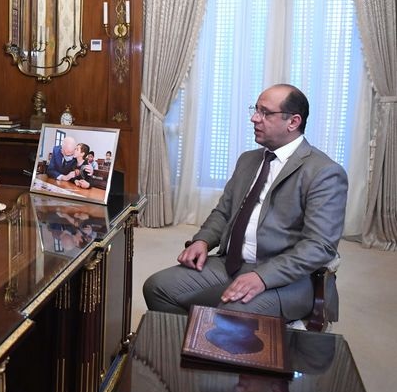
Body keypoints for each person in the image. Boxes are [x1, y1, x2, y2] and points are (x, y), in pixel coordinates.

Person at [144, 84, 347, 322]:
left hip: (285, 279)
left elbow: (319, 246)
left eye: (265, 113)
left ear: (293, 122)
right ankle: (191, 342)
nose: (254, 118)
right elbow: (224, 211)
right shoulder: (249, 160)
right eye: (256, 109)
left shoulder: (324, 172)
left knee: (231, 314)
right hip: (230, 264)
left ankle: (212, 341)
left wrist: (263, 277)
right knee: (157, 287)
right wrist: (202, 240)